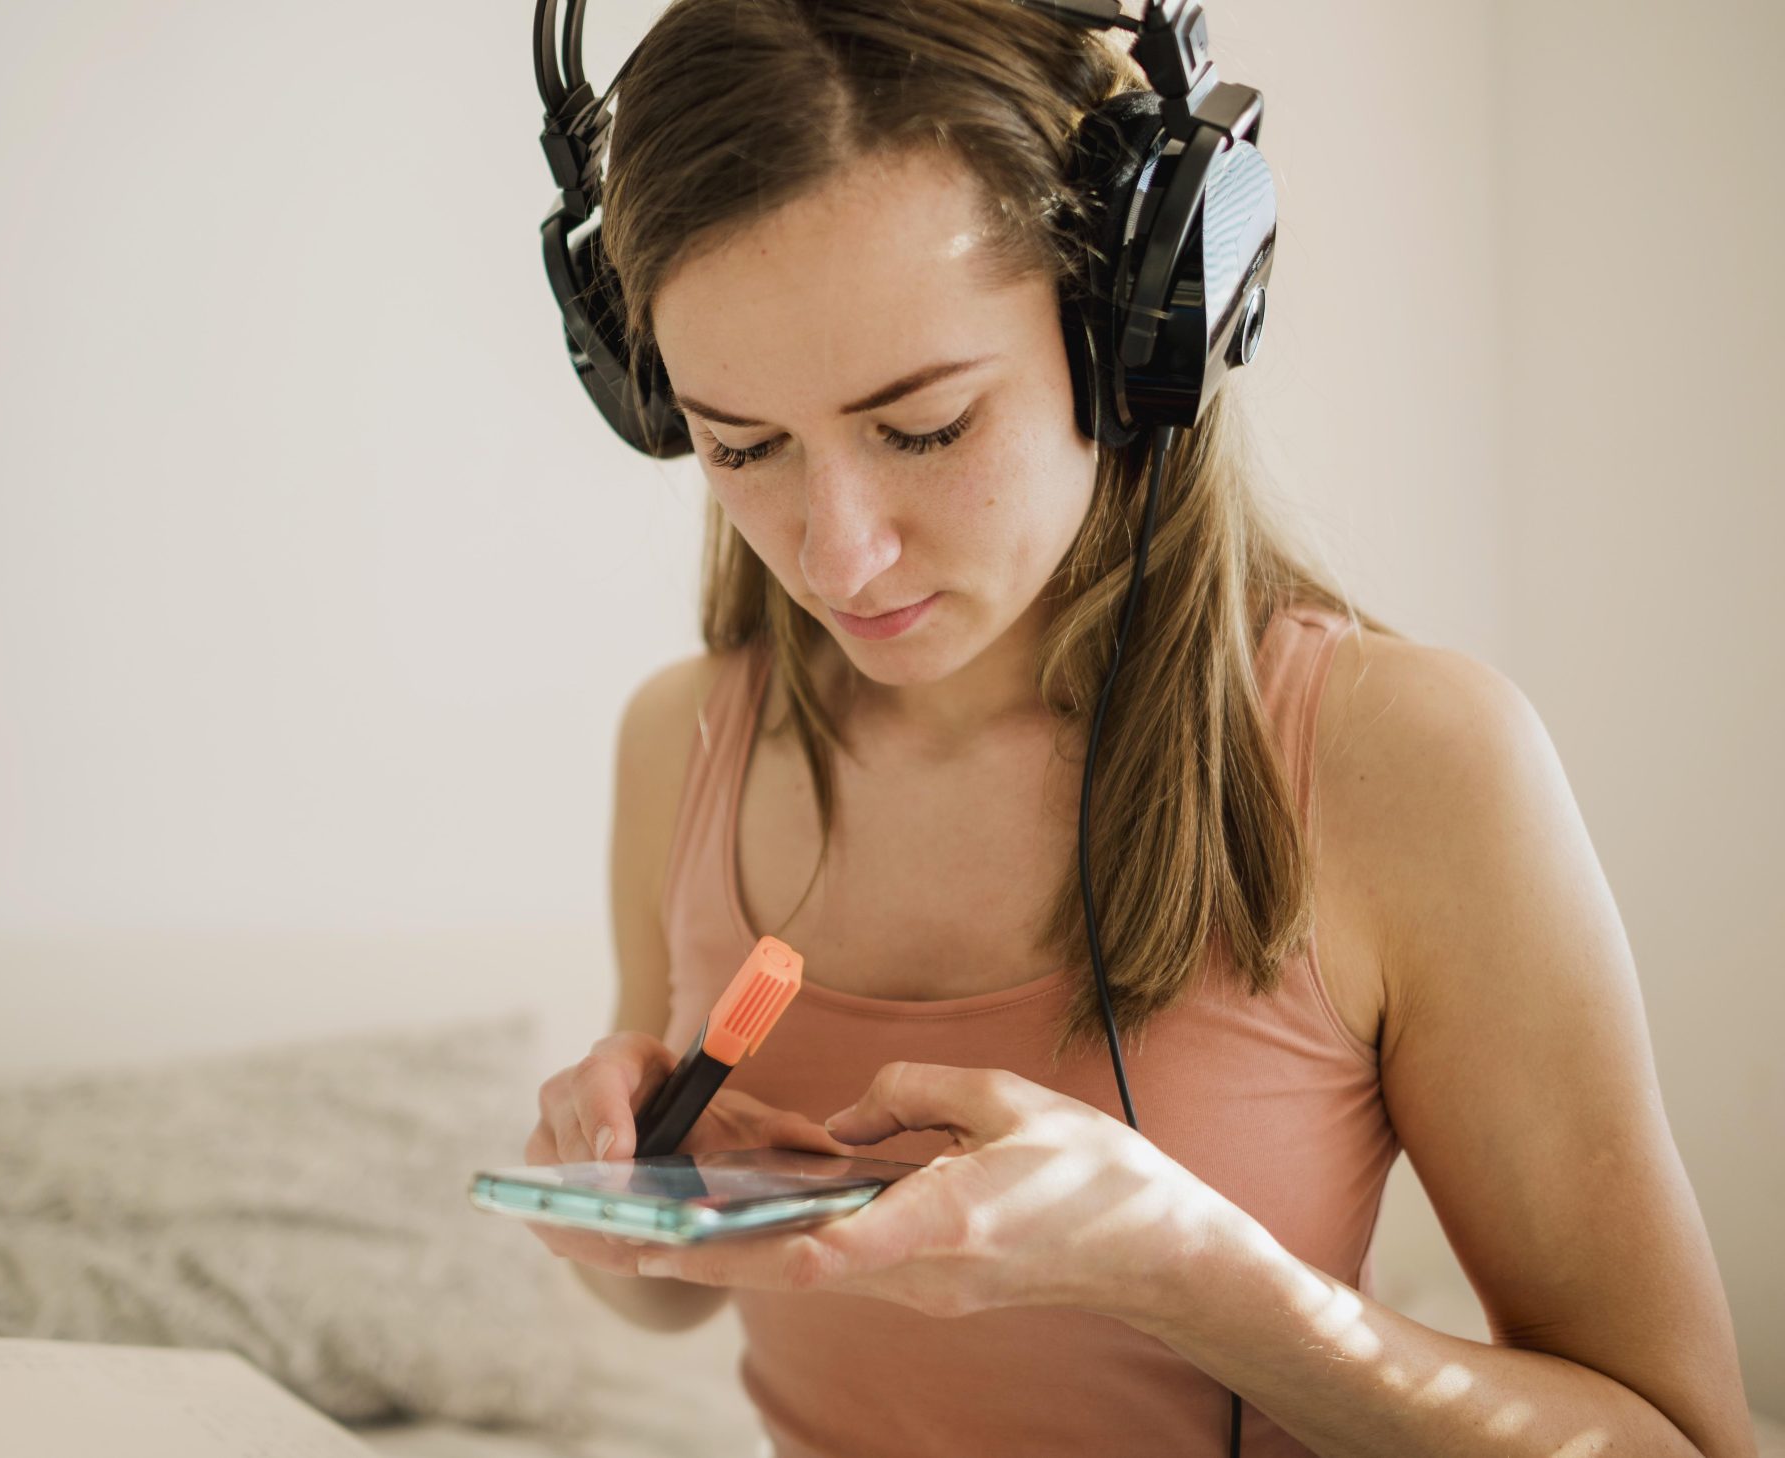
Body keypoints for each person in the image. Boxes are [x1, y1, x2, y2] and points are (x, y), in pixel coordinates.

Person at [523, 1, 1755, 1453]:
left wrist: (1196, 1277)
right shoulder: (681, 744)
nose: (837, 553)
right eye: (742, 446)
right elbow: (668, 1298)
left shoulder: (1410, 762)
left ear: (1138, 333)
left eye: (923, 428)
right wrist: (619, 1186)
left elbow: (1689, 1442)